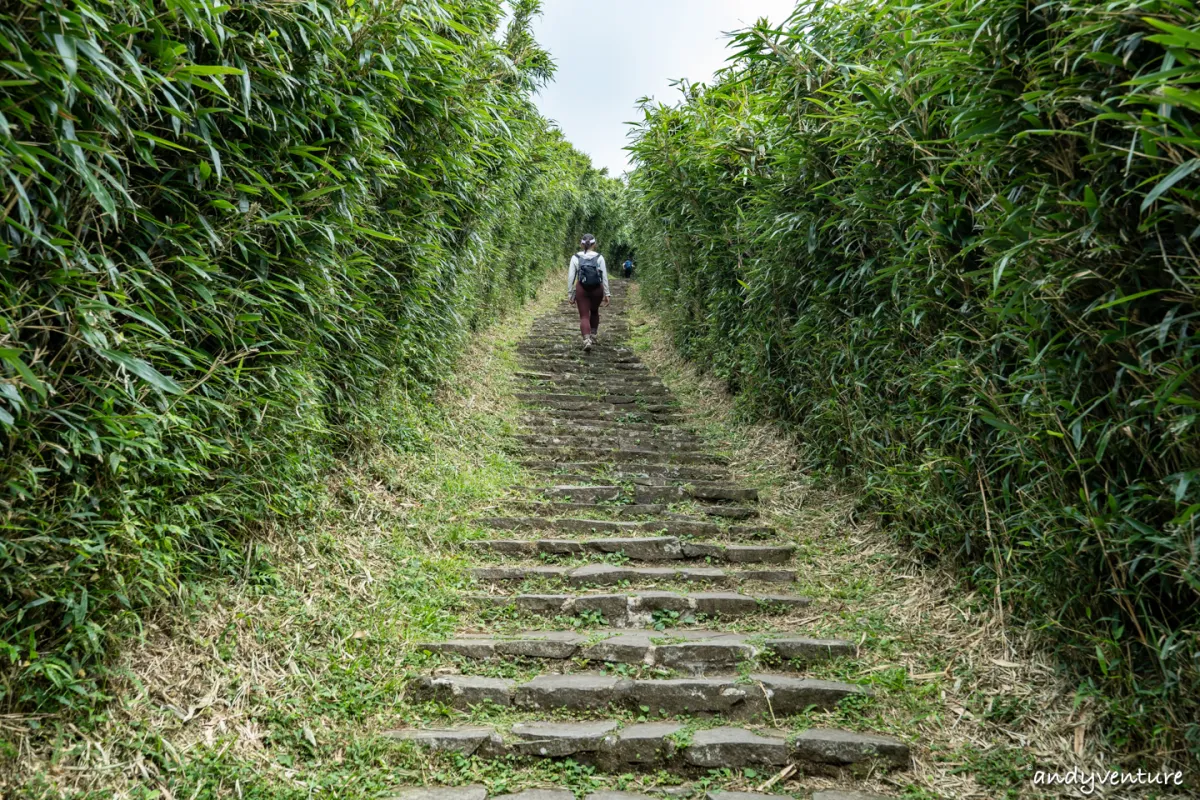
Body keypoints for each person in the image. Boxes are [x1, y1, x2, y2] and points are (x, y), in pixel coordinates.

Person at [567, 234, 610, 351]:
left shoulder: (575, 257)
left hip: (582, 289)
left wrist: (570, 294)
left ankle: (586, 340)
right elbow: (604, 276)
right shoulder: (599, 257)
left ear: (581, 244)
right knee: (595, 311)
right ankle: (594, 335)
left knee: (584, 316)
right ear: (594, 245)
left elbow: (571, 277)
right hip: (597, 289)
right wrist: (607, 293)